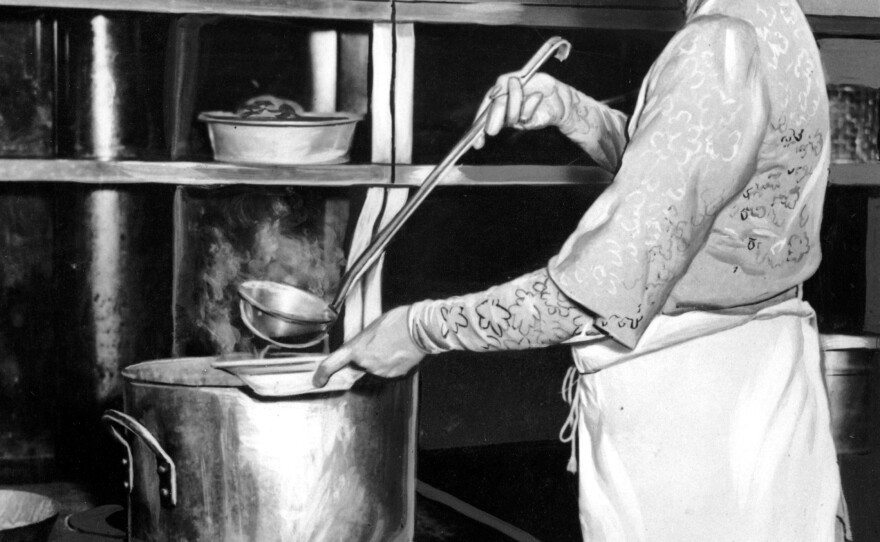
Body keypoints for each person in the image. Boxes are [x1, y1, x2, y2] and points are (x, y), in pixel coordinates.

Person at [314, 0, 849, 540]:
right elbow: (707, 180)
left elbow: (589, 299)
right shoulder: (772, 15)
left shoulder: (718, 43)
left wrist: (417, 330)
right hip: (762, 399)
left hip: (693, 432)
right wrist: (574, 113)